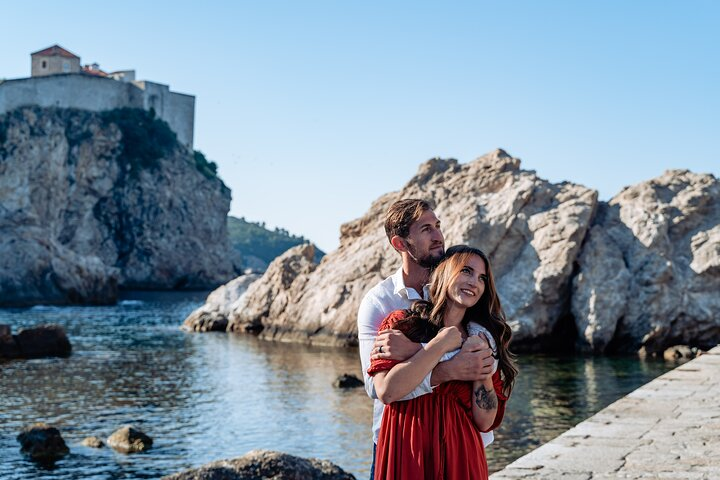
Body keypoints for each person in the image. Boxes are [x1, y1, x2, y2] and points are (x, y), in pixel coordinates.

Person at [357, 199, 496, 479]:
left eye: (438, 226)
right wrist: (448, 366)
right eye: (426, 229)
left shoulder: (459, 289)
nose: (438, 236)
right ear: (400, 244)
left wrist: (413, 351)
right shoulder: (380, 302)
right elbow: (376, 387)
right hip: (400, 440)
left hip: (461, 442)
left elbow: (483, 364)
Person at [369, 245, 518, 479]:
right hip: (408, 443)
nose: (474, 282)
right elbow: (386, 392)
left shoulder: (481, 340)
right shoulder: (401, 324)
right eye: (466, 271)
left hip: (461, 450)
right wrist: (439, 345)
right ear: (444, 272)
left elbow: (485, 421)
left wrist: (481, 372)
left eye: (482, 278)